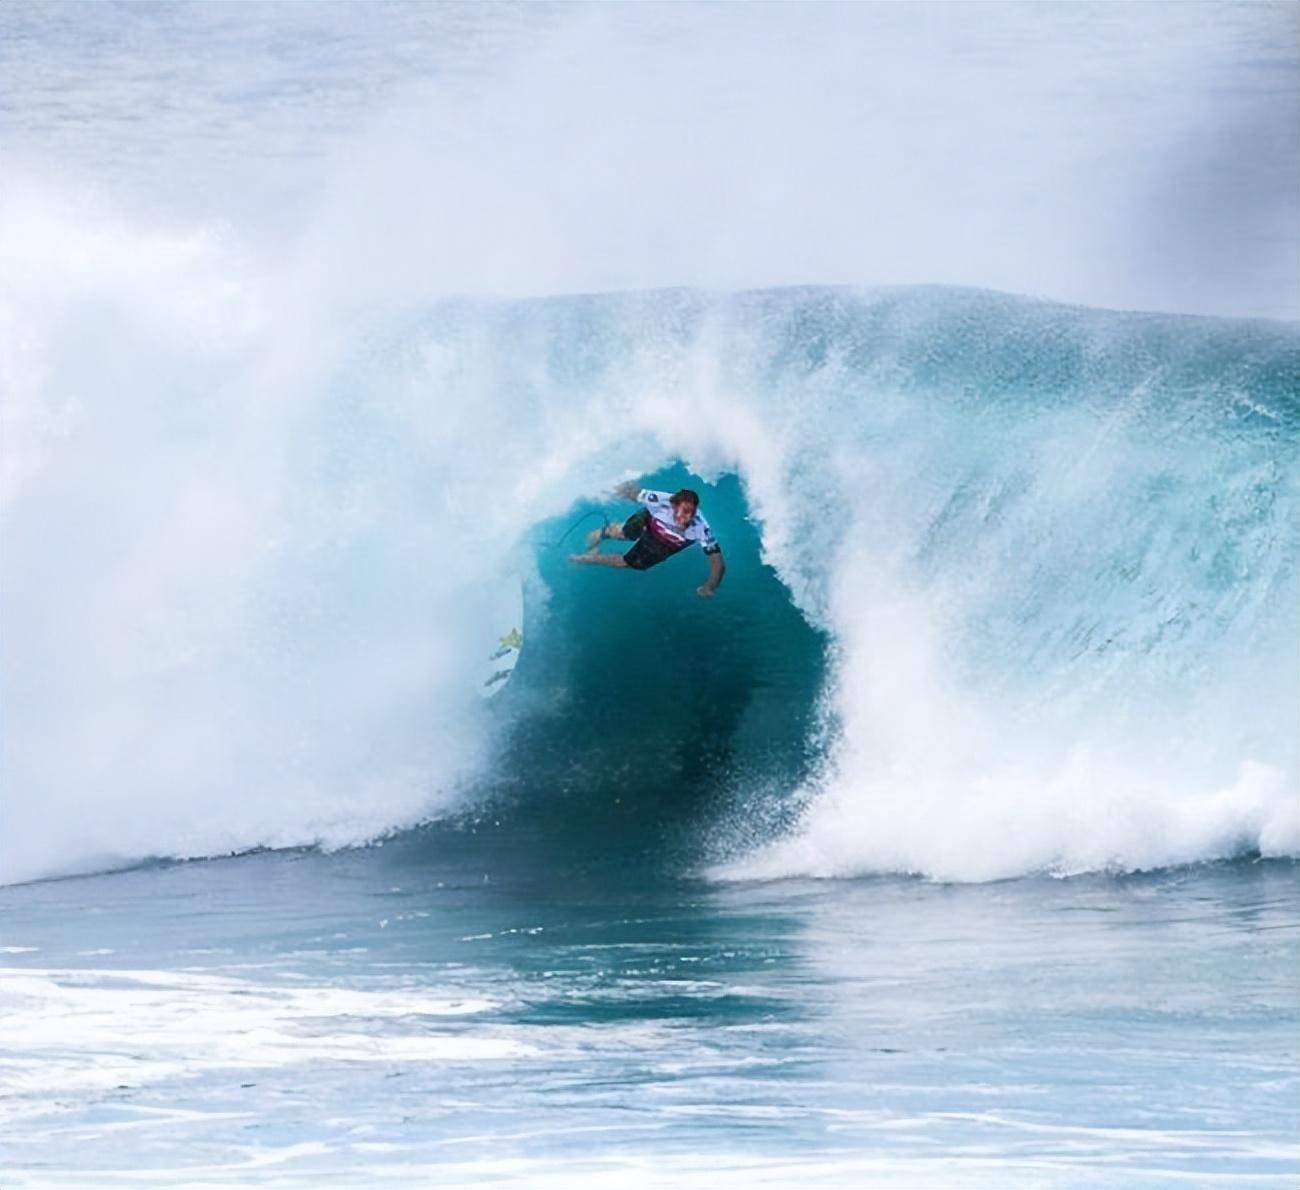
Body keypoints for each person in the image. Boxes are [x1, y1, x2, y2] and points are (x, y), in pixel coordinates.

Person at [570, 482, 726, 598]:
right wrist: (604, 490)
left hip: (669, 542)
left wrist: (710, 587)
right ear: (673, 506)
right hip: (651, 519)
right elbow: (631, 491)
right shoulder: (660, 500)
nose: (689, 517)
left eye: (692, 513)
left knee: (628, 563)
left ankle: (585, 558)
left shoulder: (701, 528)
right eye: (685, 512)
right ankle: (598, 537)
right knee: (624, 533)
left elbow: (717, 563)